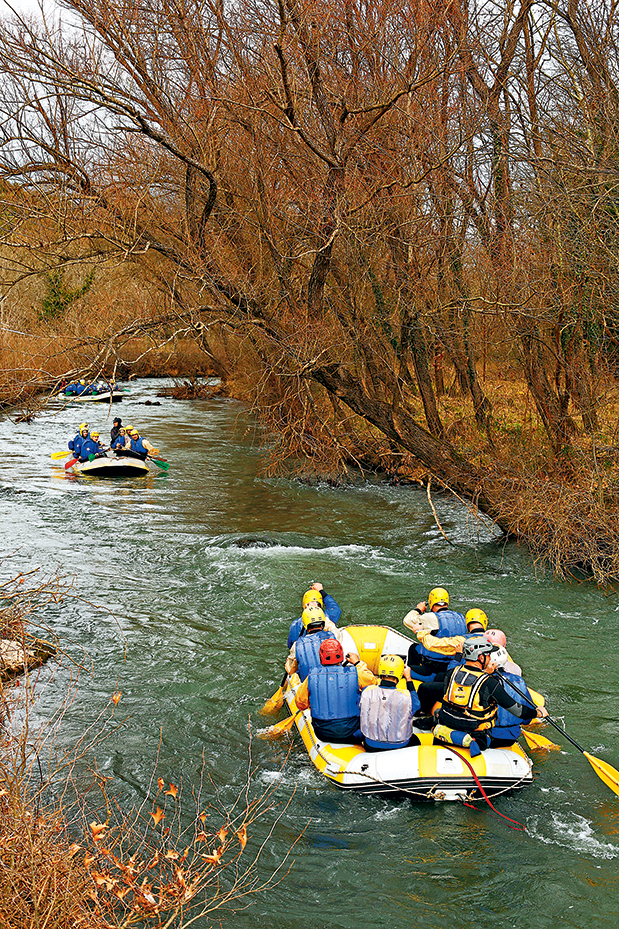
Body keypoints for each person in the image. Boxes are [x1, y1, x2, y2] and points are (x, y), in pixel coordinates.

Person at [431, 636, 547, 757]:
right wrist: (537, 713)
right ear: (481, 657)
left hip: (446, 730)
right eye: (488, 656)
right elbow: (517, 710)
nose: (490, 658)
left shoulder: (452, 672)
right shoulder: (490, 683)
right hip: (475, 738)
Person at [294, 639, 377, 744]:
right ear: (341, 655)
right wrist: (357, 663)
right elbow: (373, 682)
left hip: (322, 733)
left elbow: (301, 705)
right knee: (366, 690)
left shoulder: (311, 677)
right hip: (352, 732)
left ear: (321, 657)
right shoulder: (356, 673)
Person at [404, 594, 481, 681]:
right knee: (414, 648)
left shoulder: (430, 617)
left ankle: (410, 679)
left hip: (434, 666)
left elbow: (407, 621)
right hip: (453, 661)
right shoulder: (461, 618)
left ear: (431, 603)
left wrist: (418, 609)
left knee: (413, 650)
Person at [359, 655, 421, 751]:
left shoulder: (367, 691)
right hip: (399, 745)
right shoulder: (406, 696)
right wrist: (408, 678)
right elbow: (416, 706)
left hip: (371, 744)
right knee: (416, 740)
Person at [285, 603, 338, 681]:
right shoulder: (333, 636)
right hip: (332, 680)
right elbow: (333, 628)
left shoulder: (296, 645)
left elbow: (290, 670)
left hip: (308, 685)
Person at [287, 583, 342, 648]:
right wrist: (321, 591)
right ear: (320, 605)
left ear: (305, 605)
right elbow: (334, 608)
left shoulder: (295, 625)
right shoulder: (327, 617)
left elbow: (290, 645)